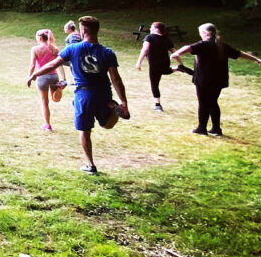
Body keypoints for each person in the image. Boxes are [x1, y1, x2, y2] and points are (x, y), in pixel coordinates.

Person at [28, 16, 128, 175]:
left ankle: (90, 165)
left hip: (84, 94)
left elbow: (53, 64)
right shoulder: (108, 52)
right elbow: (116, 78)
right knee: (106, 125)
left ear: (83, 31)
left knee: (85, 130)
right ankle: (113, 107)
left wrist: (34, 74)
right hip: (104, 93)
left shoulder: (73, 49)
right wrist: (123, 102)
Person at [171, 23, 261, 136]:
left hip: (204, 79)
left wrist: (176, 53)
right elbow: (239, 54)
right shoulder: (222, 45)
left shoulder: (205, 44)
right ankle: (216, 129)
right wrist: (256, 59)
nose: (200, 35)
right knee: (213, 102)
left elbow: (188, 47)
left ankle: (201, 128)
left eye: (200, 33)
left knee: (203, 103)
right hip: (219, 79)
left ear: (206, 33)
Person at [135, 21, 193, 111]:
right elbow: (175, 52)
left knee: (154, 84)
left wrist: (139, 62)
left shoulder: (149, 37)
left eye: (151, 27)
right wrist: (181, 63)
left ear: (156, 29)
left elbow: (145, 49)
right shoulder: (166, 39)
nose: (150, 29)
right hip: (165, 62)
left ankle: (157, 105)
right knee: (166, 71)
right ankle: (178, 68)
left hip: (154, 64)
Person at [28, 29, 66, 131]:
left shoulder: (35, 49)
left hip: (42, 77)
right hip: (54, 76)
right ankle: (59, 88)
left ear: (39, 38)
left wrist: (30, 76)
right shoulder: (54, 49)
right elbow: (59, 64)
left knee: (44, 102)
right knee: (56, 99)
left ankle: (47, 125)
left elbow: (32, 65)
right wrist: (63, 78)